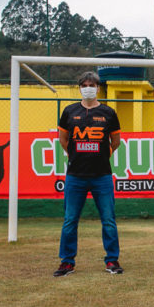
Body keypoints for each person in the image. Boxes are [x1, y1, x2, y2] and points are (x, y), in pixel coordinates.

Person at [53, 71, 123, 277]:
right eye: (84, 85)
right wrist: (75, 155)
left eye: (91, 84)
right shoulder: (69, 111)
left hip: (102, 176)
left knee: (108, 219)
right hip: (75, 176)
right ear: (79, 88)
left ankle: (112, 260)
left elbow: (116, 142)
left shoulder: (109, 113)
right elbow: (63, 139)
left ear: (98, 88)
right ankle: (67, 262)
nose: (88, 88)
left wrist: (102, 155)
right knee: (70, 220)